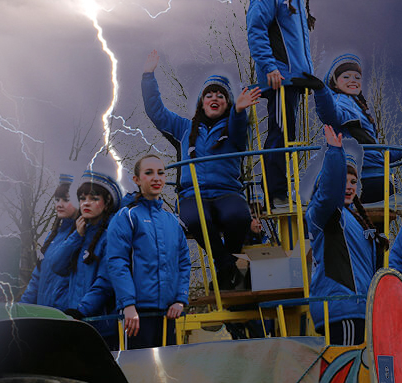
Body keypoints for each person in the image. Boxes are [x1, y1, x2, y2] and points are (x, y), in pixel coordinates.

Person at [142, 50, 261, 290]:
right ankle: (227, 265)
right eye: (209, 95)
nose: (214, 98)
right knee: (196, 218)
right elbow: (157, 114)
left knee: (237, 215)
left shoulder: (234, 128)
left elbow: (239, 131)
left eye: (221, 96)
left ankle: (225, 269)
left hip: (227, 191)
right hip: (192, 194)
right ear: (201, 102)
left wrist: (239, 111)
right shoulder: (186, 128)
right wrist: (148, 76)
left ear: (227, 103)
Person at [246, 0, 317, 207]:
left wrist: (306, 73)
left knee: (289, 135)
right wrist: (269, 66)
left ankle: (281, 190)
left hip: (294, 78)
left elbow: (294, 40)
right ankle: (274, 194)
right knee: (280, 134)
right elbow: (256, 29)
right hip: (279, 77)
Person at [306, 126, 387, 345]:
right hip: (342, 308)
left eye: (353, 182)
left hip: (360, 309)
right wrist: (334, 152)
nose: (349, 187)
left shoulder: (355, 220)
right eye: (344, 181)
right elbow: (329, 194)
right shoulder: (325, 214)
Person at [107, 155, 191, 349]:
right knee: (137, 373)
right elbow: (117, 262)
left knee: (165, 372)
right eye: (149, 173)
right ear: (136, 179)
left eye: (161, 173)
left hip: (168, 314)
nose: (156, 178)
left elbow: (184, 263)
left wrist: (180, 299)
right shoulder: (126, 216)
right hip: (136, 315)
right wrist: (128, 305)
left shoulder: (172, 221)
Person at [314, 53, 402, 203]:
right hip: (363, 177)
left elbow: (373, 148)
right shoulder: (339, 101)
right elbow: (330, 113)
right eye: (346, 76)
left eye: (357, 77)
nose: (353, 81)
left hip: (374, 174)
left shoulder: (358, 105)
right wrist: (321, 91)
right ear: (334, 82)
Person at [50, 170, 122, 349]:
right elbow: (57, 265)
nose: (86, 203)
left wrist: (81, 311)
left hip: (99, 325)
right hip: (78, 322)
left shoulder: (111, 237)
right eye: (82, 199)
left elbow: (105, 283)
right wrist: (76, 237)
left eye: (94, 198)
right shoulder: (80, 235)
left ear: (107, 204)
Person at [20, 174, 79, 310]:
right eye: (57, 200)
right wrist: (22, 309)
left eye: (66, 200)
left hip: (65, 317)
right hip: (44, 316)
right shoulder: (52, 237)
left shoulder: (81, 236)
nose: (59, 204)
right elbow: (37, 278)